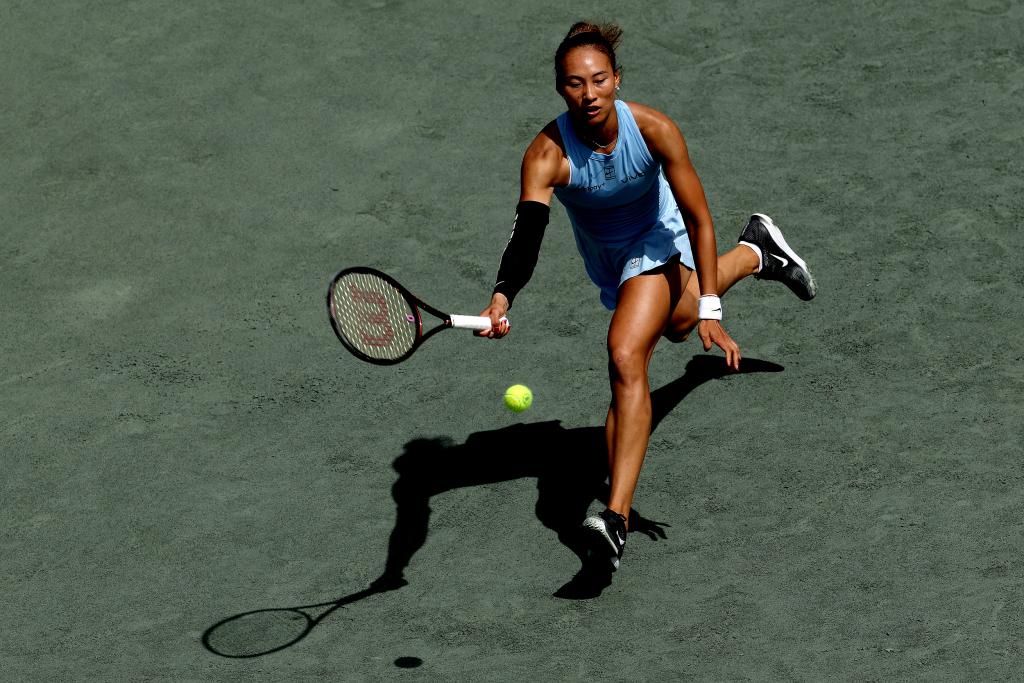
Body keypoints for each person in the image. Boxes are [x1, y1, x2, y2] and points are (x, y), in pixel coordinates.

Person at [477, 22, 815, 571]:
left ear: (617, 79)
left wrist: (712, 307)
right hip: (609, 261)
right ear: (560, 89)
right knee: (677, 324)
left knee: (626, 354)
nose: (589, 94)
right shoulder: (546, 155)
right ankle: (756, 251)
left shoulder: (654, 129)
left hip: (659, 237)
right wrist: (502, 296)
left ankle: (614, 519)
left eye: (599, 80)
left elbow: (699, 219)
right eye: (575, 84)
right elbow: (527, 235)